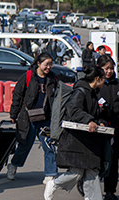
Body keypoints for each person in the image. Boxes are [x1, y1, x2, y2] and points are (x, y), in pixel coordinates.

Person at [44, 64, 109, 200]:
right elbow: (73, 109)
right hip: (76, 140)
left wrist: (99, 122)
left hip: (90, 140)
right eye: (103, 78)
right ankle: (54, 184)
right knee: (76, 172)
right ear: (97, 78)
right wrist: (89, 120)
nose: (105, 81)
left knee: (92, 172)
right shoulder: (80, 91)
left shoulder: (93, 93)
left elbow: (92, 114)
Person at [8, 52, 58, 183]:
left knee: (49, 145)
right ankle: (13, 165)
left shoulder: (53, 78)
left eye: (51, 64)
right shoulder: (28, 76)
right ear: (38, 64)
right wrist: (13, 114)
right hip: (28, 118)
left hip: (45, 119)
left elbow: (57, 97)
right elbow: (17, 96)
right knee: (25, 146)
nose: (49, 67)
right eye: (46, 64)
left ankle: (50, 174)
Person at [97, 55, 119, 200]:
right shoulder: (96, 85)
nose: (109, 71)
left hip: (115, 128)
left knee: (113, 160)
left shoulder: (117, 84)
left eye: (111, 68)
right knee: (99, 160)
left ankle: (110, 191)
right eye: (106, 68)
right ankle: (90, 188)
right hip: (99, 128)